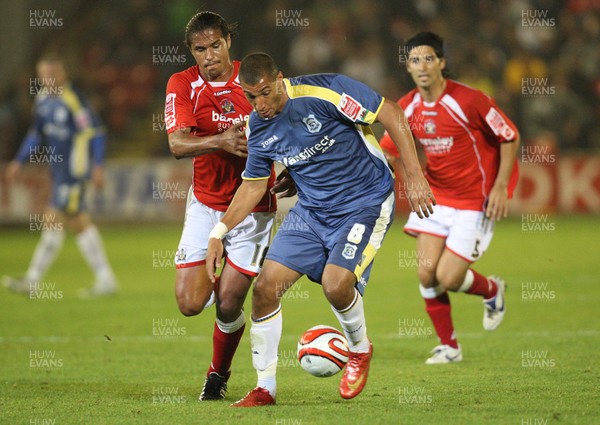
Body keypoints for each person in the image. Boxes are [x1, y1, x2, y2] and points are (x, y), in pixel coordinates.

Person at [206, 53, 435, 407]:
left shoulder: (324, 91)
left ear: (280, 78)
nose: (260, 104)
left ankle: (359, 350)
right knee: (265, 288)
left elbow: (390, 112)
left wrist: (415, 175)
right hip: (312, 212)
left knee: (336, 285)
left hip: (365, 202)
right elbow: (252, 185)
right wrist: (217, 234)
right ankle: (265, 387)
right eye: (251, 97)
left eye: (265, 93)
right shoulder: (258, 127)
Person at [165, 12, 294, 401]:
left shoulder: (253, 79)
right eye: (200, 49)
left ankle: (217, 375)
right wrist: (219, 140)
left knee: (229, 300)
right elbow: (177, 144)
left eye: (215, 45)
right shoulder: (183, 84)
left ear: (228, 43)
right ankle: (222, 284)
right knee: (190, 304)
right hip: (205, 205)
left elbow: (293, 124)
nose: (209, 55)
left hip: (253, 207)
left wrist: (296, 169)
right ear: (192, 51)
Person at [380, 32, 520, 364]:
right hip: (437, 197)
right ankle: (449, 347)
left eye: (429, 58)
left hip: (475, 200)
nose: (423, 66)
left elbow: (509, 136)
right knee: (426, 273)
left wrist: (501, 186)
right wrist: (410, 181)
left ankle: (492, 290)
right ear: (408, 67)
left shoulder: (471, 100)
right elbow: (390, 151)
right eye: (415, 60)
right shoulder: (407, 106)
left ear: (442, 62)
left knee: (449, 278)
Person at [3, 54, 117, 298]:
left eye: (53, 75)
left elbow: (96, 132)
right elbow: (36, 134)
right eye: (44, 75)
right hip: (59, 172)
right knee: (77, 222)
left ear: (63, 74)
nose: (49, 80)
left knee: (54, 219)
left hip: (74, 171)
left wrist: (98, 166)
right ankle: (105, 278)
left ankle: (33, 280)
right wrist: (19, 161)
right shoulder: (42, 100)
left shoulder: (73, 101)